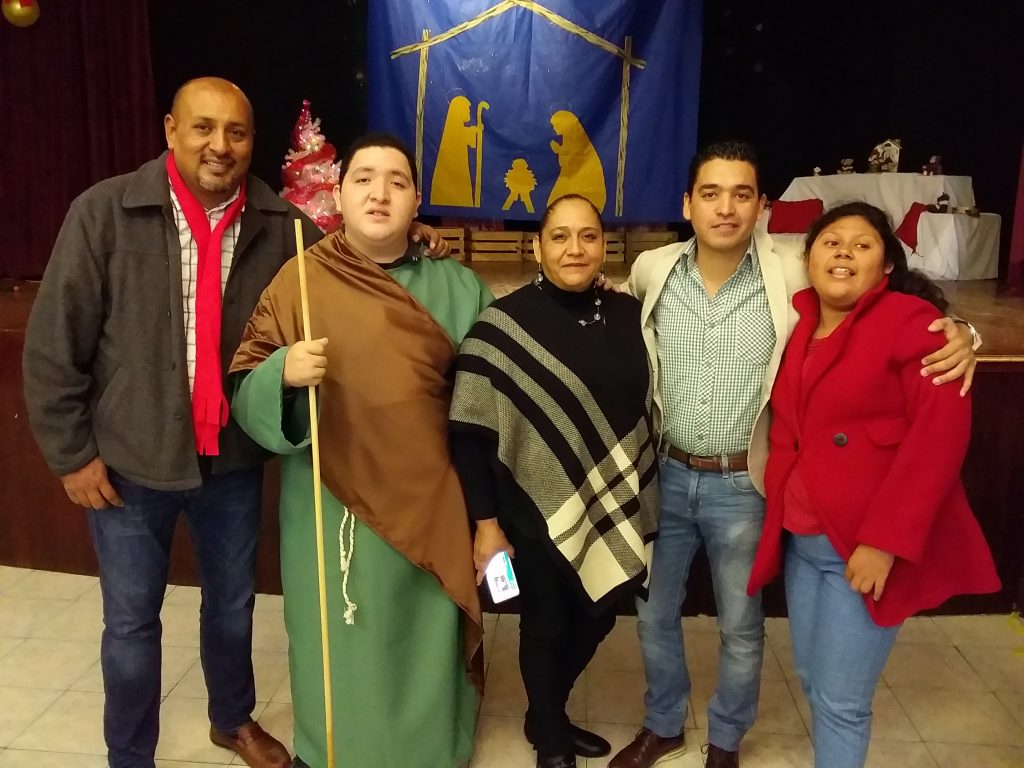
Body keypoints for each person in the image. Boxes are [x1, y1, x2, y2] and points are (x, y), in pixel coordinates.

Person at [21, 78, 448, 768]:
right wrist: (71, 455)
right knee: (130, 622)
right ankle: (128, 753)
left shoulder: (284, 227)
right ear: (170, 130)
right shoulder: (104, 213)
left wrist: (415, 237)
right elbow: (53, 346)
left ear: (252, 142)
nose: (220, 145)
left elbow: (355, 258)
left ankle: (232, 718)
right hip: (130, 460)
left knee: (231, 604)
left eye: (237, 132)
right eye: (203, 128)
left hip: (231, 461)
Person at [608, 141, 978, 768]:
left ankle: (726, 739)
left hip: (743, 483)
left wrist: (965, 333)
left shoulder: (794, 270)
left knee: (740, 625)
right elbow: (605, 299)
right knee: (652, 615)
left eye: (741, 195)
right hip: (664, 473)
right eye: (710, 194)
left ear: (761, 207)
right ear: (687, 204)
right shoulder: (654, 268)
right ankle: (663, 723)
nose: (725, 208)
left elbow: (883, 296)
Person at [229, 133, 492, 768]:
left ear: (417, 201)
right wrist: (282, 374)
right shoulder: (298, 281)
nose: (380, 193)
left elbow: (491, 406)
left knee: (423, 635)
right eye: (364, 179)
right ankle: (335, 750)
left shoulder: (459, 287)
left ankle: (432, 751)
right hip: (331, 500)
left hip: (432, 499)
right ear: (339, 194)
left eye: (397, 182)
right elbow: (243, 386)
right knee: (337, 636)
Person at [746, 202, 999, 768]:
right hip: (803, 543)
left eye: (862, 245)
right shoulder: (799, 321)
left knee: (841, 701)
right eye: (831, 241)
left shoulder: (914, 324)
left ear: (886, 267)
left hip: (860, 547)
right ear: (808, 257)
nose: (843, 253)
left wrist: (884, 543)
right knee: (813, 678)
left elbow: (937, 443)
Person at [449, 194, 659, 768]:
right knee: (546, 622)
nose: (574, 248)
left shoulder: (628, 316)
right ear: (537, 247)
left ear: (603, 246)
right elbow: (470, 432)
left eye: (587, 236)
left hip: (612, 502)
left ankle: (545, 713)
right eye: (560, 236)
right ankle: (549, 735)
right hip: (529, 508)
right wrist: (486, 525)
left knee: (602, 609)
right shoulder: (501, 326)